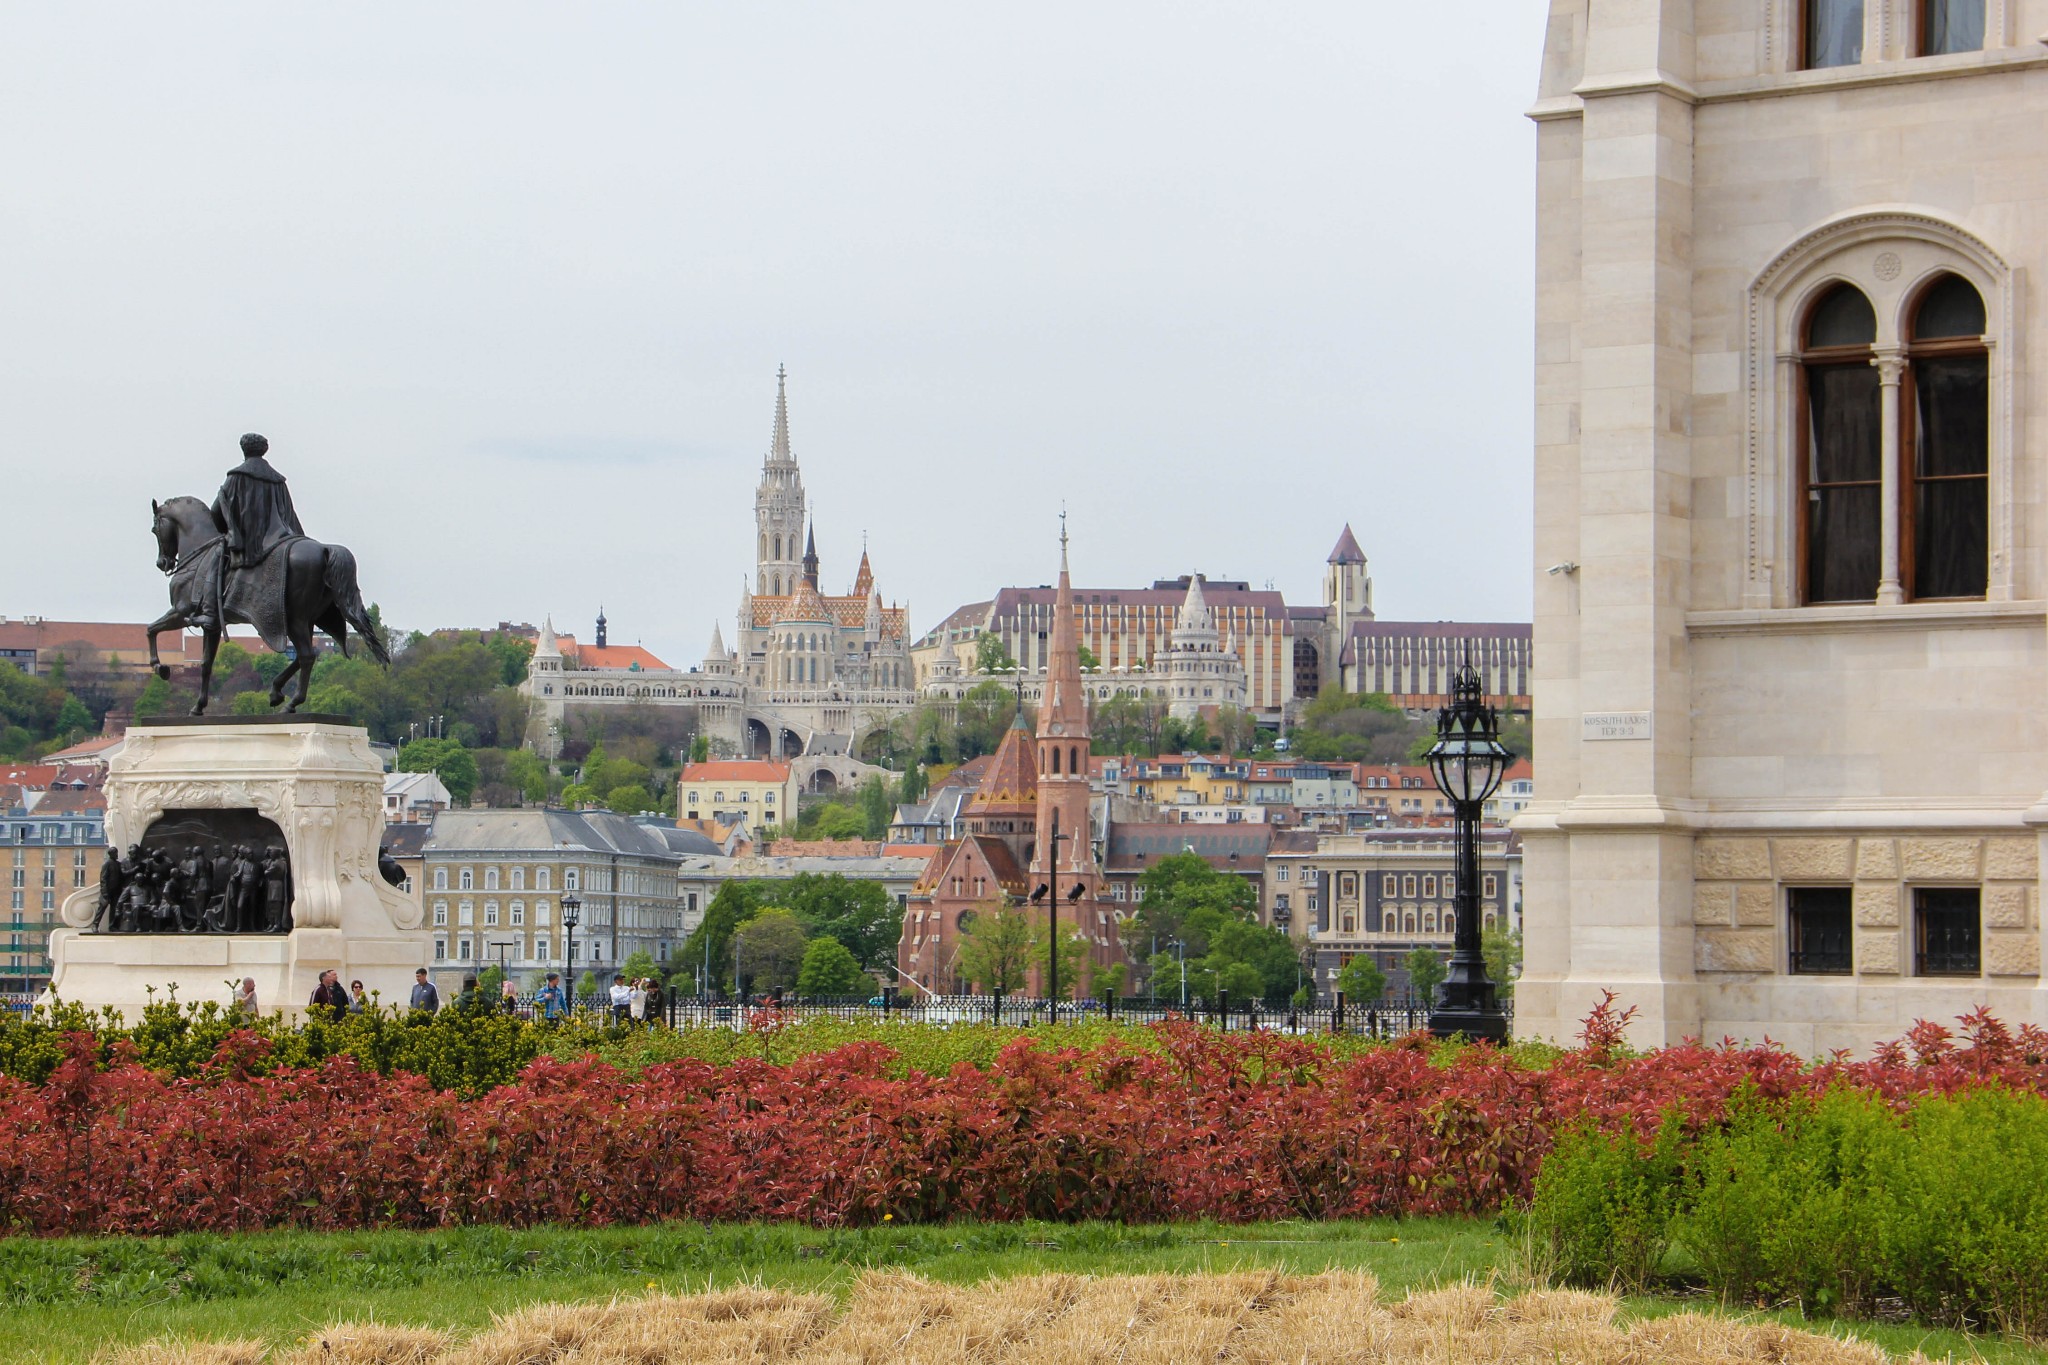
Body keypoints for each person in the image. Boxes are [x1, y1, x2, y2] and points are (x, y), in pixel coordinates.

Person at [210, 432, 306, 571]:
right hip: (283, 536)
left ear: (243, 449)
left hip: (251, 543)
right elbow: (290, 514)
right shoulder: (278, 480)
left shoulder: (237, 476)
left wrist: (228, 533)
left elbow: (215, 510)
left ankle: (211, 592)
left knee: (216, 560)